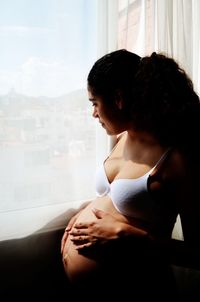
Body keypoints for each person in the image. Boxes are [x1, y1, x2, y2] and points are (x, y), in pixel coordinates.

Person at [60, 49, 200, 300]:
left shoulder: (177, 159)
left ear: (118, 98)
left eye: (95, 103)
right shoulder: (121, 138)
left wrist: (126, 235)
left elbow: (197, 254)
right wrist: (86, 210)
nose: (93, 114)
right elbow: (119, 198)